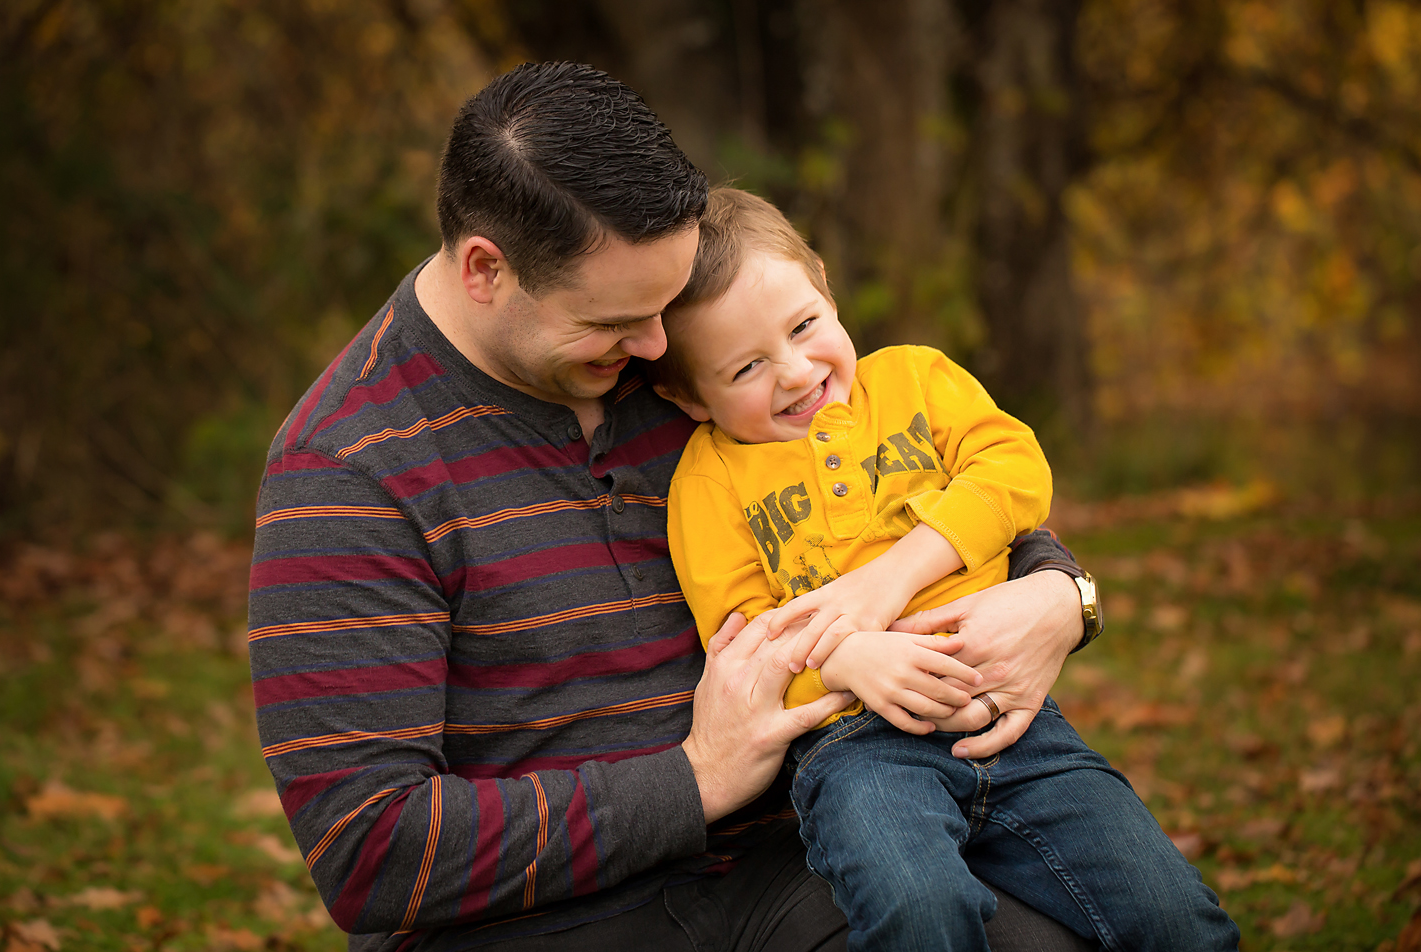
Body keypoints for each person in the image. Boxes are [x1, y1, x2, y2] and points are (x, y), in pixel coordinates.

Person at [249, 62, 1104, 952]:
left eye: (665, 304)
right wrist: (695, 780)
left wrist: (1059, 595)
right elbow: (374, 852)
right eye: (617, 320)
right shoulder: (348, 468)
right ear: (485, 270)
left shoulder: (699, 367)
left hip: (789, 866)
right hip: (536, 924)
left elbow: (920, 497)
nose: (656, 345)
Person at [648, 187, 1241, 950]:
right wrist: (847, 658)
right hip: (861, 752)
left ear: (826, 287)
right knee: (920, 913)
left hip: (1017, 728)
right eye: (747, 368)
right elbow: (744, 643)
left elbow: (1014, 471)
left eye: (804, 327)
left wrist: (896, 575)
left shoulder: (916, 383)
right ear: (690, 397)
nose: (795, 373)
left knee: (1174, 918)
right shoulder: (710, 480)